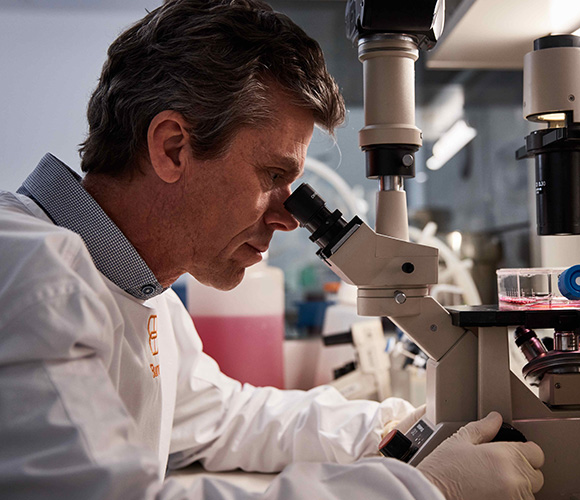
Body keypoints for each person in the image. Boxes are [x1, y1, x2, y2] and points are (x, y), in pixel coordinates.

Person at [0, 1, 545, 499]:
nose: (287, 218)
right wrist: (425, 489)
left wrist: (393, 428)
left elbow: (225, 418)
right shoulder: (30, 270)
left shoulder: (141, 289)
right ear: (172, 148)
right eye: (272, 174)